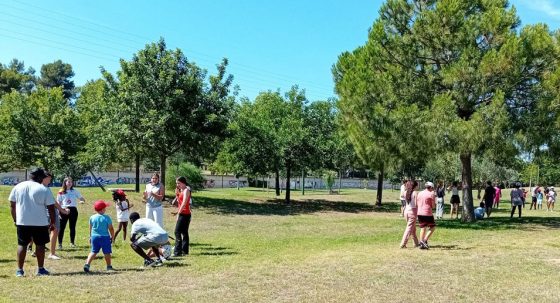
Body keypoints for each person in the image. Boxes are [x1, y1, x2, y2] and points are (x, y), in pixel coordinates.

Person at [9, 168, 56, 277]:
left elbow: (12, 205)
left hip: (22, 221)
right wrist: (52, 222)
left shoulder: (18, 187)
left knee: (22, 245)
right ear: (39, 177)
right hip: (40, 222)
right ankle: (40, 269)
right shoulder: (43, 189)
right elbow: (51, 208)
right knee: (40, 245)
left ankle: (19, 270)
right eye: (43, 177)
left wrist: (16, 219)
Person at [84, 200, 115, 272]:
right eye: (105, 208)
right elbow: (111, 228)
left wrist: (90, 236)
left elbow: (90, 228)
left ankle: (87, 264)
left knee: (93, 251)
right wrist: (112, 236)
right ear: (102, 209)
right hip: (105, 237)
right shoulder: (107, 217)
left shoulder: (92, 217)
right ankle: (109, 266)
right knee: (107, 252)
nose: (105, 209)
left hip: (94, 236)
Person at [57, 177, 85, 249]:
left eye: (71, 182)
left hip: (73, 210)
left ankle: (72, 243)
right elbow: (58, 202)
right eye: (68, 182)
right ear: (65, 182)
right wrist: (59, 211)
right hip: (64, 210)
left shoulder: (75, 191)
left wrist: (82, 201)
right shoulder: (61, 191)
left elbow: (82, 198)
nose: (70, 183)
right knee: (61, 228)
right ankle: (60, 244)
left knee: (72, 227)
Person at [171, 176, 192, 256]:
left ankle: (177, 252)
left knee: (177, 231)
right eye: (177, 183)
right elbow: (175, 203)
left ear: (183, 183)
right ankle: (184, 251)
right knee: (184, 232)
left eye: (178, 183)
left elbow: (184, 203)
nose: (177, 185)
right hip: (182, 213)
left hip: (185, 214)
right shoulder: (181, 190)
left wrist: (178, 214)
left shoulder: (186, 190)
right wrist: (176, 194)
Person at [417, 181, 436, 249]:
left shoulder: (420, 193)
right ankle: (424, 240)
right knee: (432, 227)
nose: (433, 189)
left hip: (419, 212)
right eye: (432, 188)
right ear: (431, 187)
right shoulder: (431, 194)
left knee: (423, 228)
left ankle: (421, 242)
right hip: (427, 213)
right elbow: (433, 206)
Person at [399, 180, 419, 248]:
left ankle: (416, 243)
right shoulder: (415, 193)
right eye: (417, 185)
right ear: (414, 186)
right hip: (412, 212)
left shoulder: (405, 192)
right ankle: (403, 244)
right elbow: (416, 204)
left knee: (413, 228)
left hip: (406, 211)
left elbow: (402, 195)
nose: (417, 187)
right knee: (409, 228)